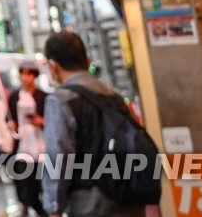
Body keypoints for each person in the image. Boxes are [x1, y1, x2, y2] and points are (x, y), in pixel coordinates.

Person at [41, 30, 144, 217]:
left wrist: (54, 208)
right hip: (130, 196)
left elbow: (59, 155)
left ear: (53, 67)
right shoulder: (114, 96)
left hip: (91, 204)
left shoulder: (60, 100)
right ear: (87, 62)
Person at [6, 62, 47, 216]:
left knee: (44, 181)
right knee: (27, 185)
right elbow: (9, 118)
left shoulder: (43, 96)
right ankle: (36, 208)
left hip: (41, 144)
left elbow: (51, 119)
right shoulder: (14, 96)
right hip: (23, 145)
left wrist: (42, 122)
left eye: (29, 74)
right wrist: (11, 125)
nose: (25, 77)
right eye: (23, 73)